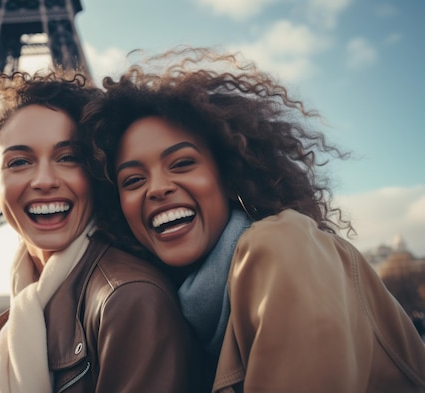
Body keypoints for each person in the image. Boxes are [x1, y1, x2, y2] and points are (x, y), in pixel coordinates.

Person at [81, 47, 425, 392]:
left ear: (228, 176)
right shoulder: (187, 303)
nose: (156, 188)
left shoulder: (279, 245)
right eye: (133, 180)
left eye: (182, 163)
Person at [0, 69, 203, 392]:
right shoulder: (33, 296)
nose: (44, 180)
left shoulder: (128, 298)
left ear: (94, 172)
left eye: (68, 157)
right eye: (19, 162)